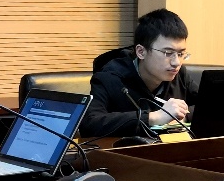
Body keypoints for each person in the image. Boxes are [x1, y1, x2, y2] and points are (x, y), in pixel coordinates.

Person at [82, 8, 198, 139]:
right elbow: (89, 124)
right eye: (168, 53)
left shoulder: (179, 74)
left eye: (181, 53)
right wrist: (153, 117)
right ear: (141, 52)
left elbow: (212, 107)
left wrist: (181, 116)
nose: (176, 62)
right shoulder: (110, 77)